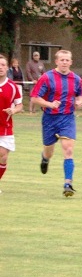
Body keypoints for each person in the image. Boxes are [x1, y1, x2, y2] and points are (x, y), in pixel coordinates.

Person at [30, 50, 82, 197]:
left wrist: (79, 101)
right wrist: (49, 104)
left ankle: (68, 184)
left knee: (68, 150)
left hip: (67, 118)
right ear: (56, 61)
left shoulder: (76, 79)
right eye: (62, 60)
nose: (65, 62)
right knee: (49, 151)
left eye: (67, 60)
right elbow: (34, 98)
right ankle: (45, 158)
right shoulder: (47, 78)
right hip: (49, 119)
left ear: (71, 62)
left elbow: (80, 93)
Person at [0, 54, 24, 193]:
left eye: (3, 65)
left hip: (5, 127)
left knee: (3, 156)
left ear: (7, 68)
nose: (0, 68)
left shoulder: (13, 86)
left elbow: (19, 105)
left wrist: (13, 110)